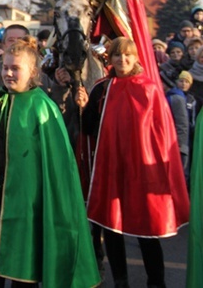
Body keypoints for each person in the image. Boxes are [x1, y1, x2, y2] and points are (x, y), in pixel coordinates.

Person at [0, 37, 99, 288]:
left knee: (23, 269)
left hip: (25, 203)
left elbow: (57, 164)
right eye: (5, 67)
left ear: (33, 72)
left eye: (16, 68)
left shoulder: (43, 108)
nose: (9, 73)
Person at [75, 37, 189, 288]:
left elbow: (163, 133)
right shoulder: (102, 88)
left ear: (136, 57)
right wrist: (84, 108)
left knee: (147, 229)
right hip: (111, 168)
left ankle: (156, 282)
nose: (122, 60)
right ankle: (121, 281)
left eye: (127, 55)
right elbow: (90, 129)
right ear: (110, 59)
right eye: (117, 55)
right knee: (112, 228)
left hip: (142, 171)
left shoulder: (148, 88)